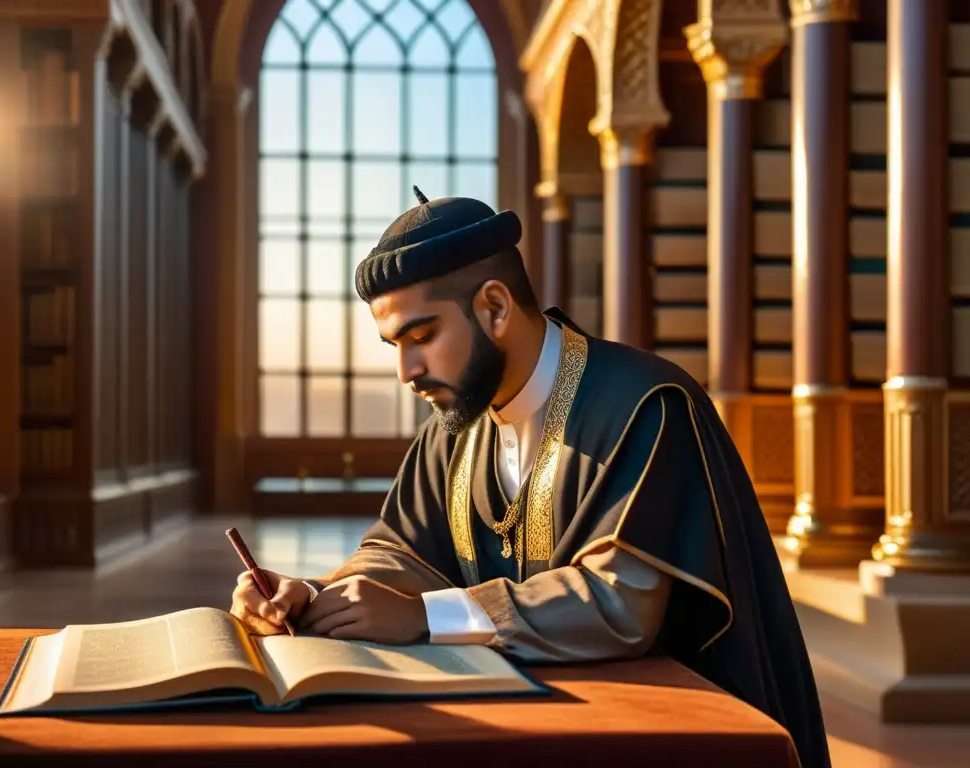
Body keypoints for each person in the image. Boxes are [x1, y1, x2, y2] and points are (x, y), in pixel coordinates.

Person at [231, 187, 831, 768]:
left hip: (656, 730)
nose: (406, 371)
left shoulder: (643, 405)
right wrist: (315, 597)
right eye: (394, 345)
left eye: (421, 336)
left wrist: (425, 616)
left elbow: (619, 605)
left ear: (494, 307)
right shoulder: (455, 424)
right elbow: (405, 553)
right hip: (518, 714)